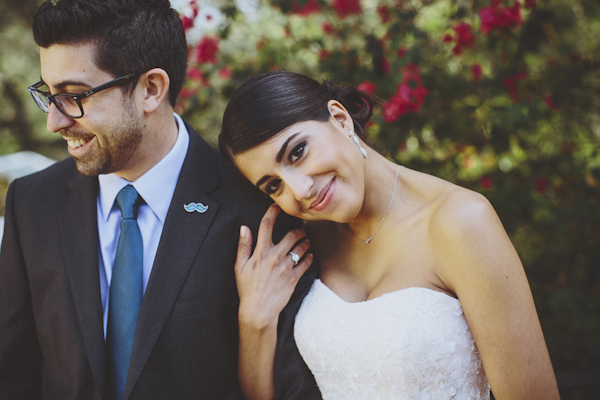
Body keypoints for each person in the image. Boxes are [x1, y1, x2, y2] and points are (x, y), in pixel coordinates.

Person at [0, 2, 321, 399]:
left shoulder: (258, 210)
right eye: (49, 95)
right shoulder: (31, 203)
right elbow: (13, 372)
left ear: (151, 89)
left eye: (75, 95)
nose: (55, 121)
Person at [218, 71, 561, 400]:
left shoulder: (460, 222)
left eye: (298, 152)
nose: (301, 189)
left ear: (339, 119)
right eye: (274, 185)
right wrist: (255, 320)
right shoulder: (307, 243)